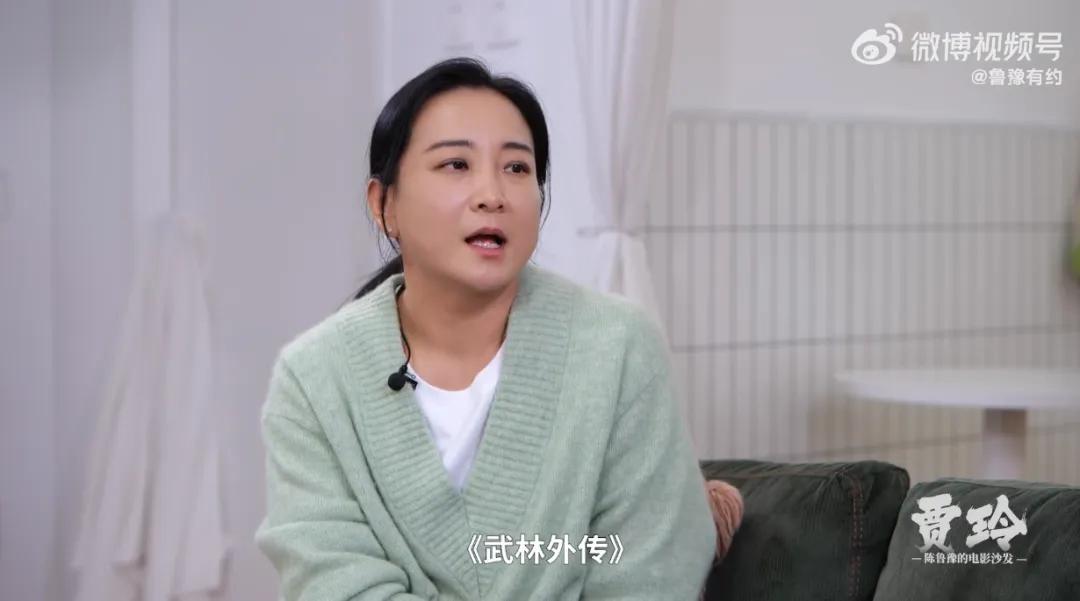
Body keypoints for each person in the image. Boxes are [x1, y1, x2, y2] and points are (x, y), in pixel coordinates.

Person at [254, 56, 716, 600]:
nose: (492, 193)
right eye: (456, 164)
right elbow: (333, 583)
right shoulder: (314, 380)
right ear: (384, 205)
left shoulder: (619, 348)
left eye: (517, 168)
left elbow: (651, 570)